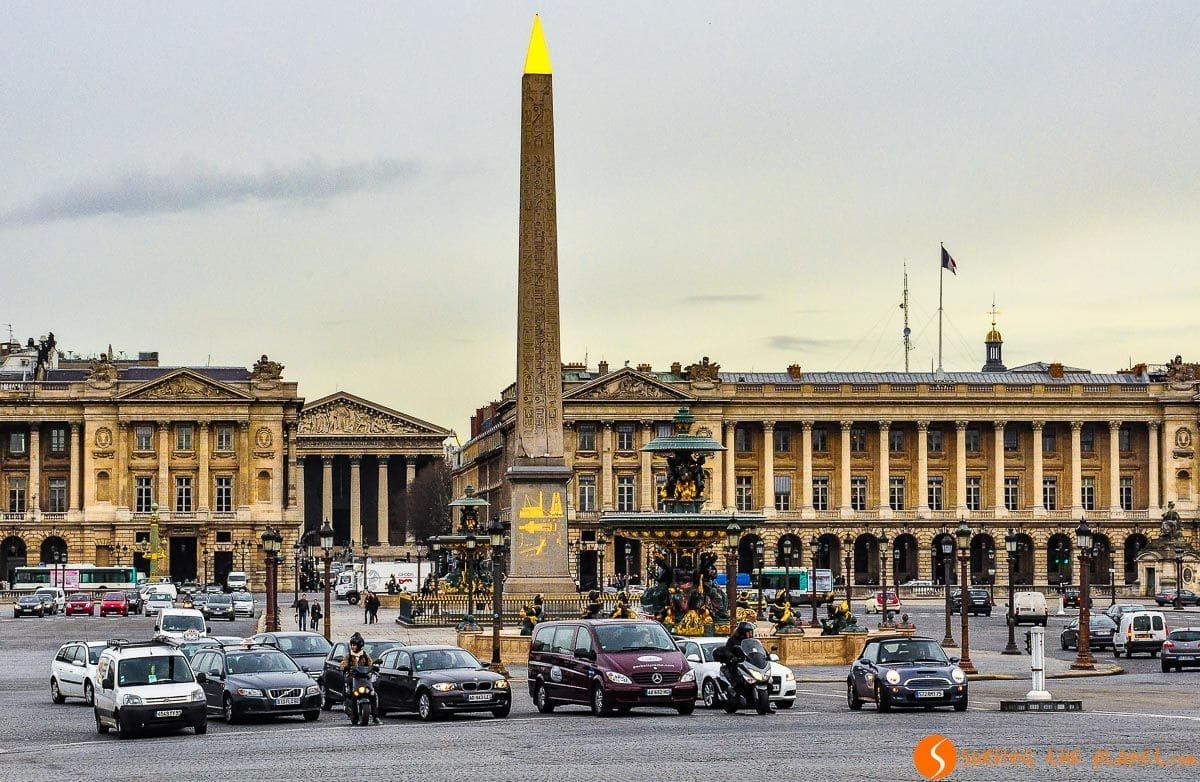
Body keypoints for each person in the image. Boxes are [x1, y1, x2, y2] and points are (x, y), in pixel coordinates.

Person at [339, 632, 381, 725]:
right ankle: (354, 716)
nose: (353, 647)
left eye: (354, 645)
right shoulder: (349, 656)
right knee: (353, 695)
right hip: (353, 678)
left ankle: (375, 716)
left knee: (372, 695)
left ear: (360, 646)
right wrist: (343, 667)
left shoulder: (365, 655)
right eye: (352, 645)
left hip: (364, 679)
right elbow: (343, 664)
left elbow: (370, 663)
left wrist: (374, 667)